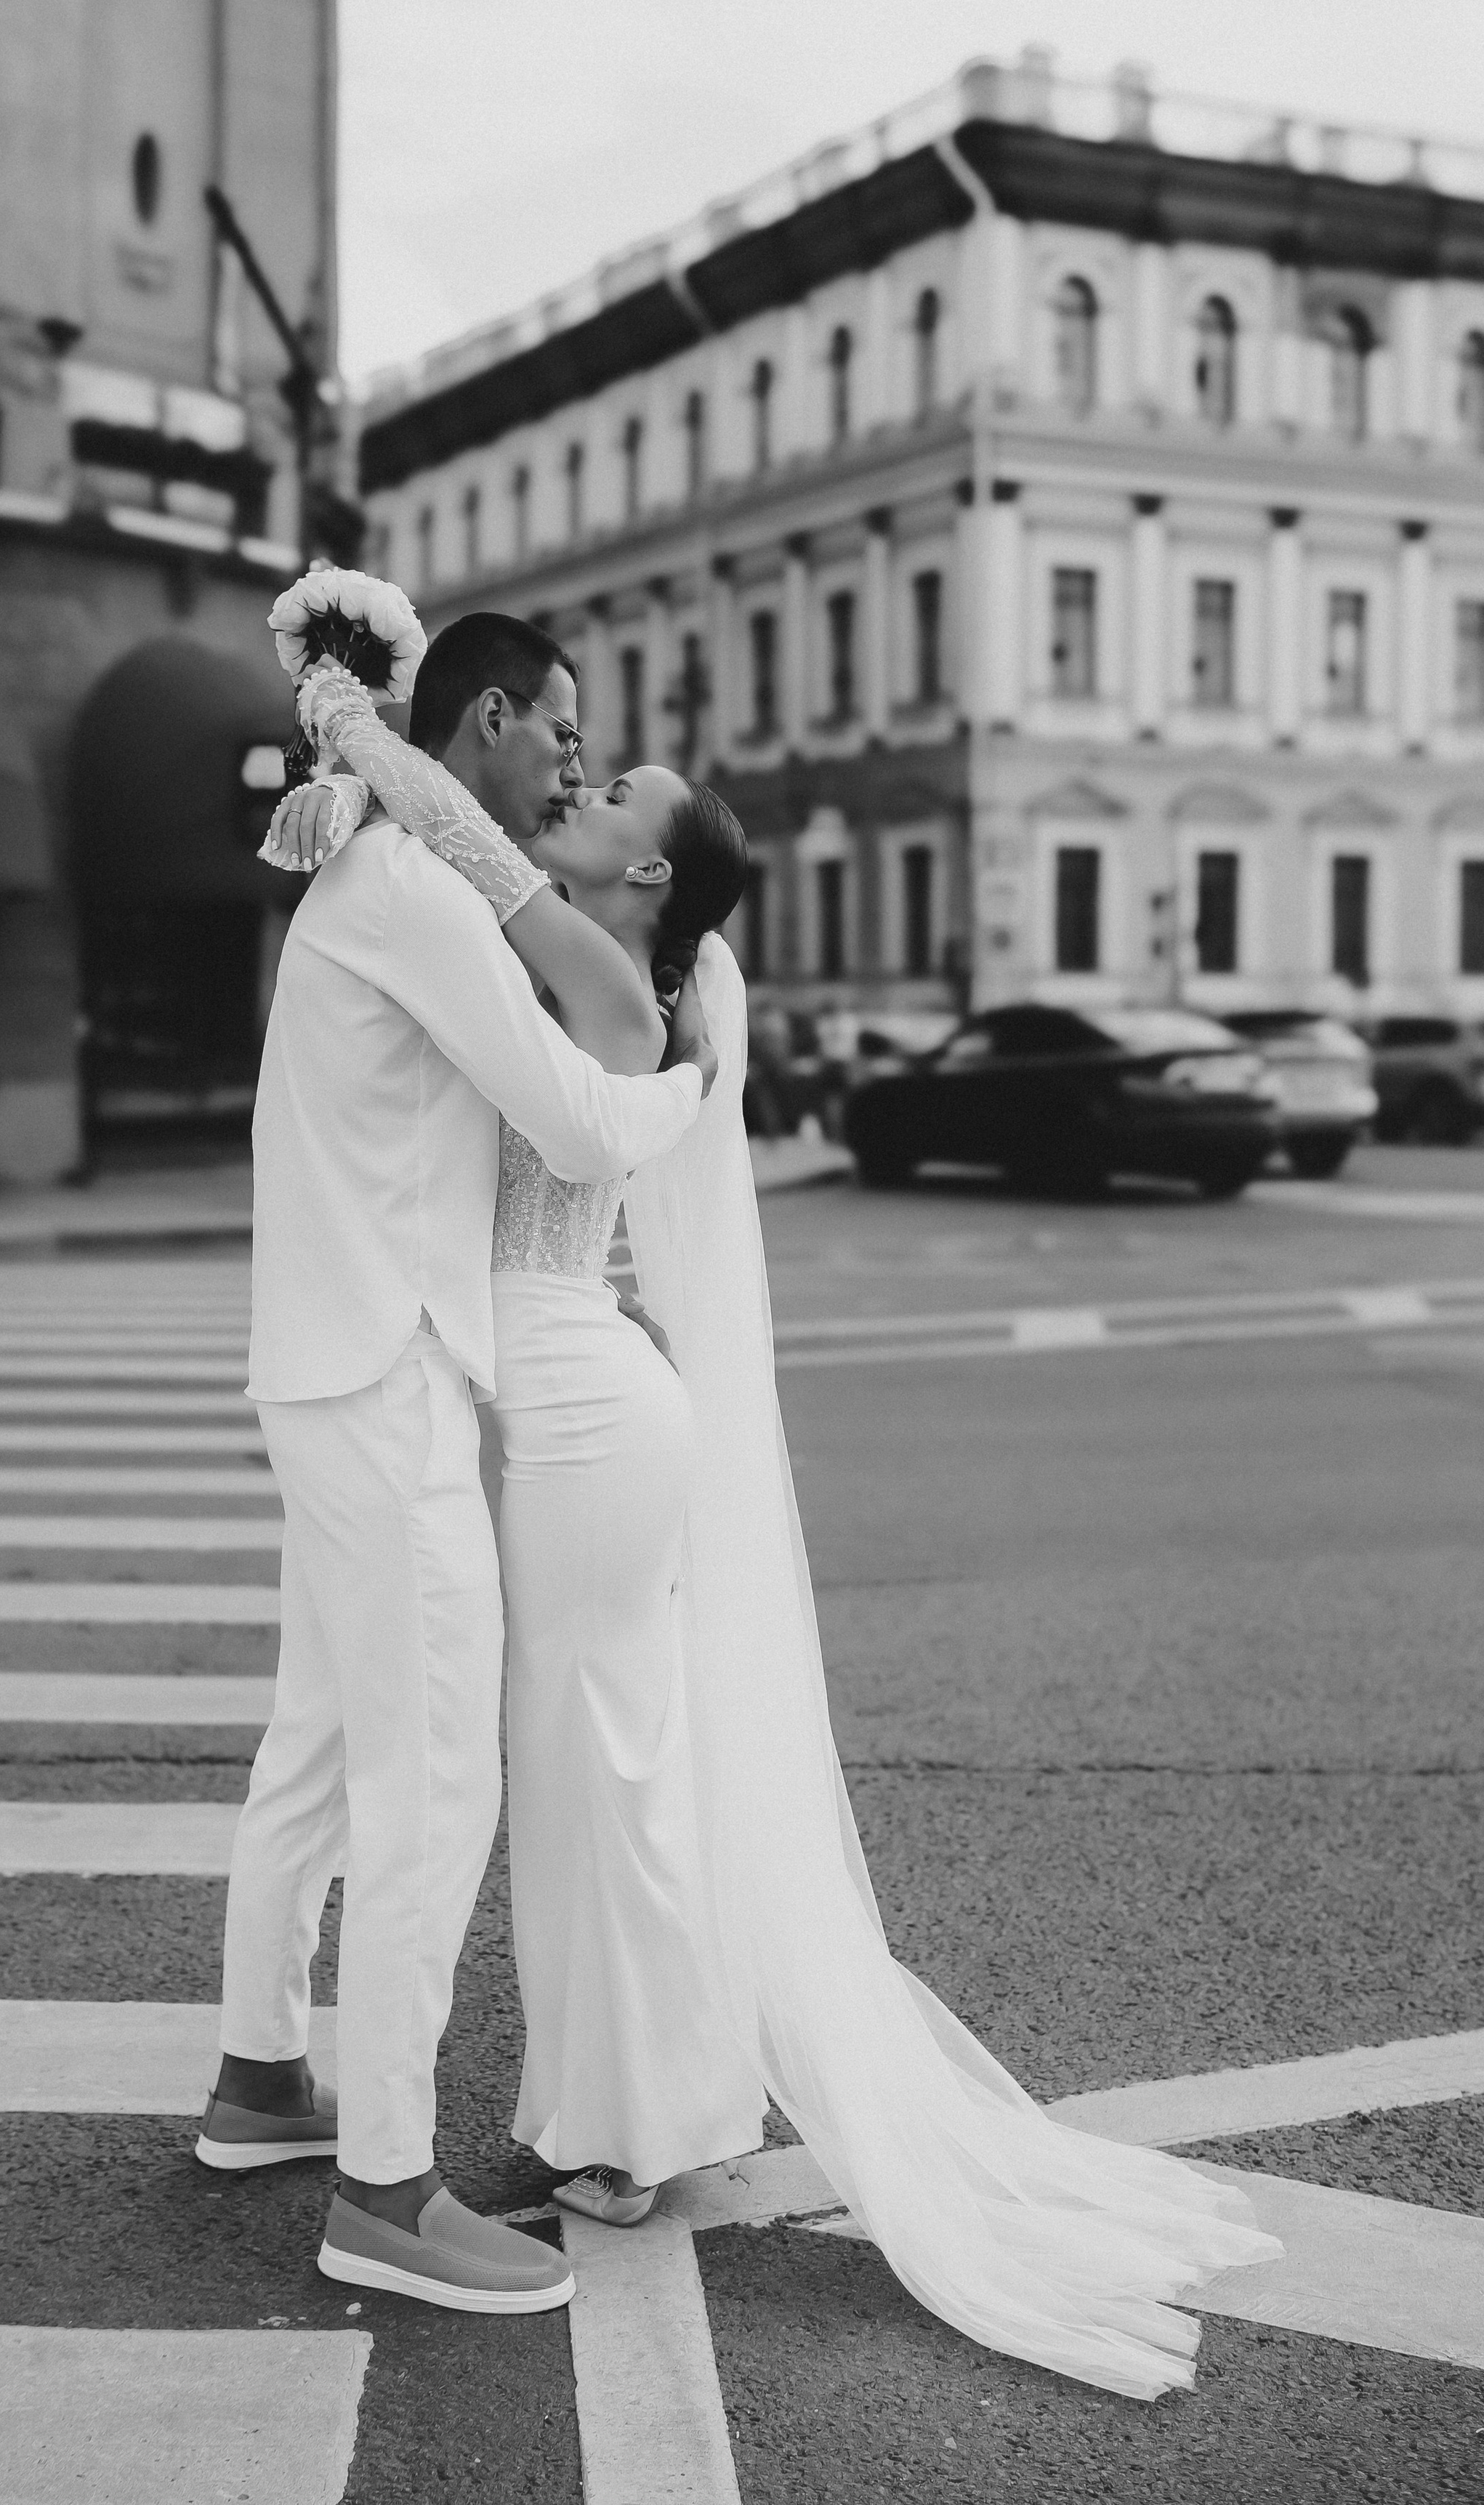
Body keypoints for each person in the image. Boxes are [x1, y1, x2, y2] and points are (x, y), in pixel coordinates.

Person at [275, 658, 1286, 2400]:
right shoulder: (599, 965)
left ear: (647, 879)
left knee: (597, 1769)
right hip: (582, 1399)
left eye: (611, 807)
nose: (577, 805)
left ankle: (633, 2122)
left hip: (582, 1408)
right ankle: (624, 2112)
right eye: (580, 784)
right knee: (605, 1765)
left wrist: (366, 740)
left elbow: (519, 947)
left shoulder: (617, 999)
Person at [201, 611, 717, 2318]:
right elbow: (576, 1120)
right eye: (557, 731)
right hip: (392, 1368)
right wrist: (692, 1099)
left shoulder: (364, 860)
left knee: (324, 1735)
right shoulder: (421, 892)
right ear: (483, 719)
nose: (569, 760)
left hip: (325, 1361)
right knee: (434, 1780)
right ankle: (385, 2191)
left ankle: (261, 2079)